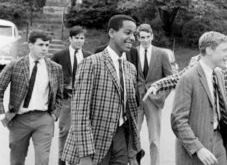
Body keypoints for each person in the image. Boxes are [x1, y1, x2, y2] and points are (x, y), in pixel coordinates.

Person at [62, 15, 141, 165]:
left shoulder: (130, 68)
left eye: (134, 34)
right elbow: (80, 112)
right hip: (94, 142)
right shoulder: (91, 63)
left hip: (121, 140)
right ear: (111, 32)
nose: (132, 38)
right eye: (127, 32)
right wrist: (85, 155)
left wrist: (132, 151)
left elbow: (131, 111)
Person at [144, 54, 227, 134]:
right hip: (199, 124)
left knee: (226, 157)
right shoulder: (195, 69)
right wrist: (157, 85)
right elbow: (176, 78)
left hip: (223, 126)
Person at [0, 30, 63, 165]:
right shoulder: (15, 65)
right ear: (30, 45)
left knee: (43, 160)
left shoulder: (55, 68)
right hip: (19, 120)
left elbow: (59, 96)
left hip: (44, 120)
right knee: (17, 160)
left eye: (47, 45)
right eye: (41, 45)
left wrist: (54, 115)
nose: (45, 49)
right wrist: (2, 115)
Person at [171, 31, 227, 165]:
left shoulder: (219, 75)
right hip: (197, 147)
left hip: (218, 141)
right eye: (224, 50)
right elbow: (178, 121)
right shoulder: (188, 78)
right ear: (210, 50)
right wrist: (198, 149)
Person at [51, 26, 92, 165]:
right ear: (70, 39)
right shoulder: (59, 56)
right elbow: (51, 77)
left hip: (83, 99)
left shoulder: (89, 57)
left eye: (82, 38)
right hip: (66, 99)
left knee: (80, 131)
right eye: (77, 38)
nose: (80, 41)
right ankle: (61, 161)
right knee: (65, 130)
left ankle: (74, 161)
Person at [136, 24, 173, 165]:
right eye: (142, 37)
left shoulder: (162, 54)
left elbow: (170, 78)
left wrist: (161, 96)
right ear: (138, 38)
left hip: (154, 101)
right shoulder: (131, 53)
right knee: (134, 137)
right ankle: (135, 161)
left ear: (152, 36)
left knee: (154, 140)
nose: (145, 40)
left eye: (147, 37)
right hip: (136, 100)